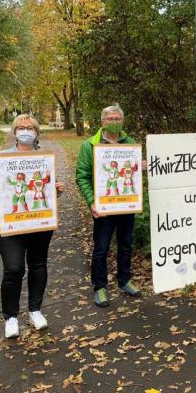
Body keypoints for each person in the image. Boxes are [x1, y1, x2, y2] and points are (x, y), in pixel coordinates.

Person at [0, 114, 66, 339]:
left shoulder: (43, 158)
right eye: (21, 127)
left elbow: (49, 187)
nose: (25, 131)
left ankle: (35, 310)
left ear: (36, 132)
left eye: (30, 127)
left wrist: (57, 189)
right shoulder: (2, 158)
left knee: (38, 265)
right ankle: (11, 316)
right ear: (14, 132)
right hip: (10, 224)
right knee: (14, 268)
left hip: (39, 222)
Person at [76, 105, 147, 307]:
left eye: (117, 118)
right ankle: (100, 287)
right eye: (110, 119)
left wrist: (139, 167)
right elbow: (82, 176)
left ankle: (124, 280)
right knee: (101, 248)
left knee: (126, 244)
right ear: (102, 121)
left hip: (126, 206)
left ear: (122, 121)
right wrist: (92, 202)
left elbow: (130, 172)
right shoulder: (90, 145)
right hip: (104, 207)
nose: (114, 122)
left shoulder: (130, 143)